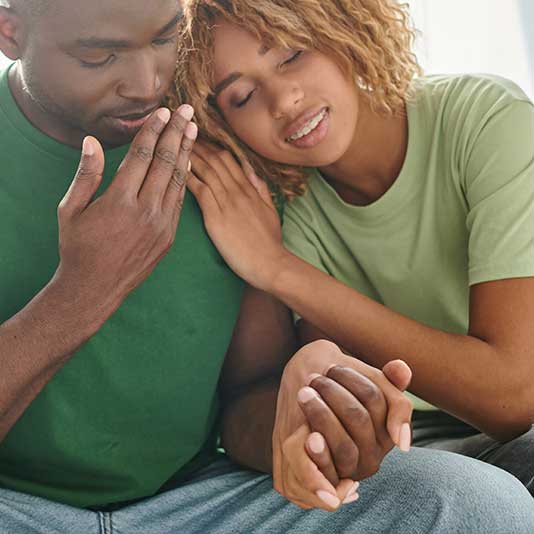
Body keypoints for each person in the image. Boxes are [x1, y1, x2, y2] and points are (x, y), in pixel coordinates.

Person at [0, 1, 533, 533]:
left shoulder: (228, 159)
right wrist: (84, 291)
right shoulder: (254, 167)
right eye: (99, 56)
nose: (146, 84)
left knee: (481, 504)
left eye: (165, 39)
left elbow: (252, 393)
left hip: (208, 499)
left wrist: (297, 419)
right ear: (10, 30)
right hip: (16, 505)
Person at [174, 0, 534, 503]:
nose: (282, 100)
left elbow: (515, 400)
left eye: (293, 53)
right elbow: (310, 389)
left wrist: (280, 270)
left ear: (343, 27)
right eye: (243, 95)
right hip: (419, 445)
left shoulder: (488, 120)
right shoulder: (285, 210)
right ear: (222, 126)